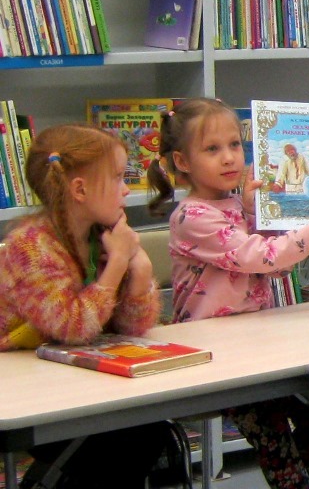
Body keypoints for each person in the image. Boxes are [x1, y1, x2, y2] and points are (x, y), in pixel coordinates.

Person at [147, 97, 309, 489]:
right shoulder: (192, 216)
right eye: (212, 149)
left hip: (255, 343)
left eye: (235, 144)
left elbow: (276, 266)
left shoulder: (234, 204)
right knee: (270, 427)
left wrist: (256, 212)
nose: (229, 157)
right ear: (182, 161)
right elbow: (261, 257)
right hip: (215, 355)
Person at [0, 124, 169, 487]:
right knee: (126, 441)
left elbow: (133, 327)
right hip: (28, 389)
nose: (127, 189)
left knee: (149, 430)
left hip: (80, 379)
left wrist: (140, 272)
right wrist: (118, 263)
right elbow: (73, 326)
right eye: (118, 177)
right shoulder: (29, 246)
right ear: (79, 189)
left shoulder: (102, 236)